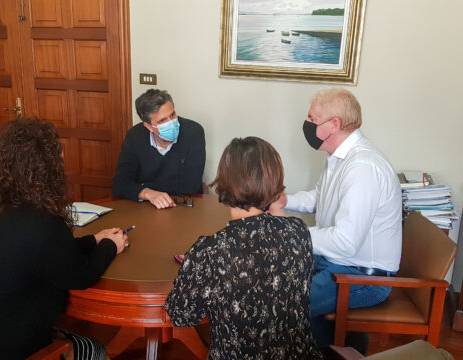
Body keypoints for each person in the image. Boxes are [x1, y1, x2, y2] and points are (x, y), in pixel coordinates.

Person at [0, 118, 128, 360]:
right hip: (4, 345)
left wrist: (93, 240)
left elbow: (45, 255)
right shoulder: (41, 221)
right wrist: (110, 246)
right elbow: (79, 276)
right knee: (96, 351)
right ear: (47, 170)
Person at [165, 137, 323, 360]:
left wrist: (192, 265)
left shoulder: (210, 251)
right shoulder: (299, 231)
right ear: (275, 181)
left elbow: (180, 315)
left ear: (225, 180)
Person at [270, 87, 402, 349]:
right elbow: (322, 197)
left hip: (362, 277)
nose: (306, 125)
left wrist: (291, 233)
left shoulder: (362, 168)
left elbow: (345, 241)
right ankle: (323, 350)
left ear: (334, 125)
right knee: (277, 275)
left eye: (312, 119)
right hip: (340, 263)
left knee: (281, 306)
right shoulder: (339, 157)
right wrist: (287, 201)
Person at [112, 89, 206, 209]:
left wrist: (142, 186)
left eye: (172, 115)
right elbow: (120, 184)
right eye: (162, 120)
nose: (171, 123)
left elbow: (190, 186)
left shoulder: (193, 132)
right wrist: (148, 193)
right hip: (147, 207)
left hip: (184, 205)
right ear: (148, 126)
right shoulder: (134, 136)